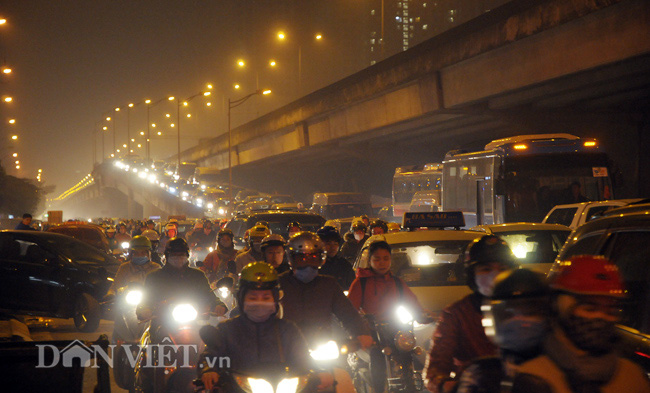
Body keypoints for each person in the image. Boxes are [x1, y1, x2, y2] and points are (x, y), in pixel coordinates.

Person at [512, 256, 650, 392]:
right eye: (590, 309)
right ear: (562, 308)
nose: (600, 318)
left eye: (610, 311)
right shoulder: (534, 379)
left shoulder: (632, 376)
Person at [198, 262, 333, 391]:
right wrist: (208, 370)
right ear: (241, 299)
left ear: (275, 299)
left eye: (266, 297)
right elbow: (210, 355)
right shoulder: (227, 329)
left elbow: (303, 358)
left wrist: (319, 371)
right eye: (253, 297)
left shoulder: (287, 329)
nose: (259, 303)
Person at [424, 235, 518, 393]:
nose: (495, 275)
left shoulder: (525, 308)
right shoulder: (456, 314)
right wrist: (446, 384)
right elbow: (437, 366)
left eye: (502, 269)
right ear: (472, 274)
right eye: (486, 269)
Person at [456, 269, 551, 393]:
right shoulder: (481, 375)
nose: (519, 319)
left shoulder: (563, 369)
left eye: (530, 312)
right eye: (507, 314)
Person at [278, 232, 374, 348]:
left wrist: (361, 332)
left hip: (322, 346)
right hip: (285, 348)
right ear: (291, 260)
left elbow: (347, 312)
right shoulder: (279, 284)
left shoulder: (329, 285)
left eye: (313, 259)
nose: (308, 264)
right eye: (302, 259)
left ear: (321, 260)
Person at [136, 237, 226, 322]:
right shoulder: (154, 277)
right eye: (174, 255)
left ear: (187, 256)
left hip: (195, 323)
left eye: (182, 255)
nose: (178, 258)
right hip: (162, 323)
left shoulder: (197, 275)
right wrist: (144, 310)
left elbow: (208, 295)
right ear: (167, 257)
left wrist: (219, 305)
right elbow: (145, 300)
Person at [347, 239, 429, 322]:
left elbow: (413, 305)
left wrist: (423, 316)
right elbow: (349, 313)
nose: (382, 262)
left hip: (395, 331)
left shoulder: (397, 283)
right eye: (377, 259)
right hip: (369, 332)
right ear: (369, 261)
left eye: (386, 259)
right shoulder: (361, 283)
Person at [316, 225, 355, 290]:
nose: (333, 247)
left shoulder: (344, 265)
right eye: (328, 244)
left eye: (335, 244)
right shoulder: (314, 265)